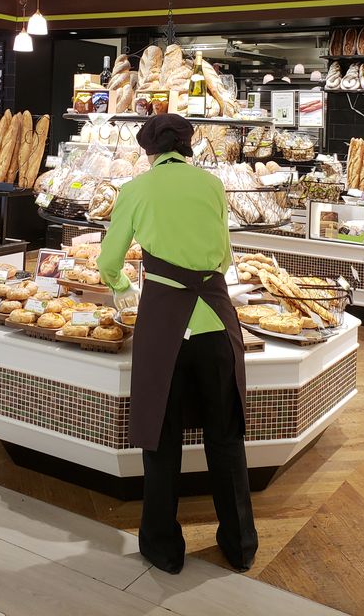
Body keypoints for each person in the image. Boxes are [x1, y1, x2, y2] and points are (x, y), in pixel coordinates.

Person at [98, 113, 257, 575]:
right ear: (187, 146)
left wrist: (124, 287)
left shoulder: (135, 189)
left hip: (164, 325)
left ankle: (164, 548)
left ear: (149, 150)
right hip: (216, 321)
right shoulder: (212, 186)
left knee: (162, 439)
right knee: (225, 437)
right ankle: (240, 545)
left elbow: (108, 262)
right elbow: (224, 257)